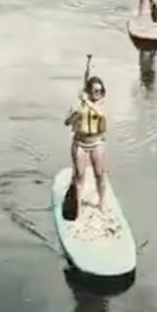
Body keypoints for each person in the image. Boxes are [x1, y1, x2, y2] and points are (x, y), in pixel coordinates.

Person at [64, 54, 109, 213]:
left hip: (96, 142)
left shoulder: (100, 104)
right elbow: (66, 123)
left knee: (99, 173)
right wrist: (73, 115)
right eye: (94, 91)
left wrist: (87, 101)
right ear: (89, 91)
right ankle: (77, 204)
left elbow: (100, 115)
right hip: (80, 142)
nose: (98, 93)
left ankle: (102, 202)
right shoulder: (79, 104)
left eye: (100, 91)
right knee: (80, 175)